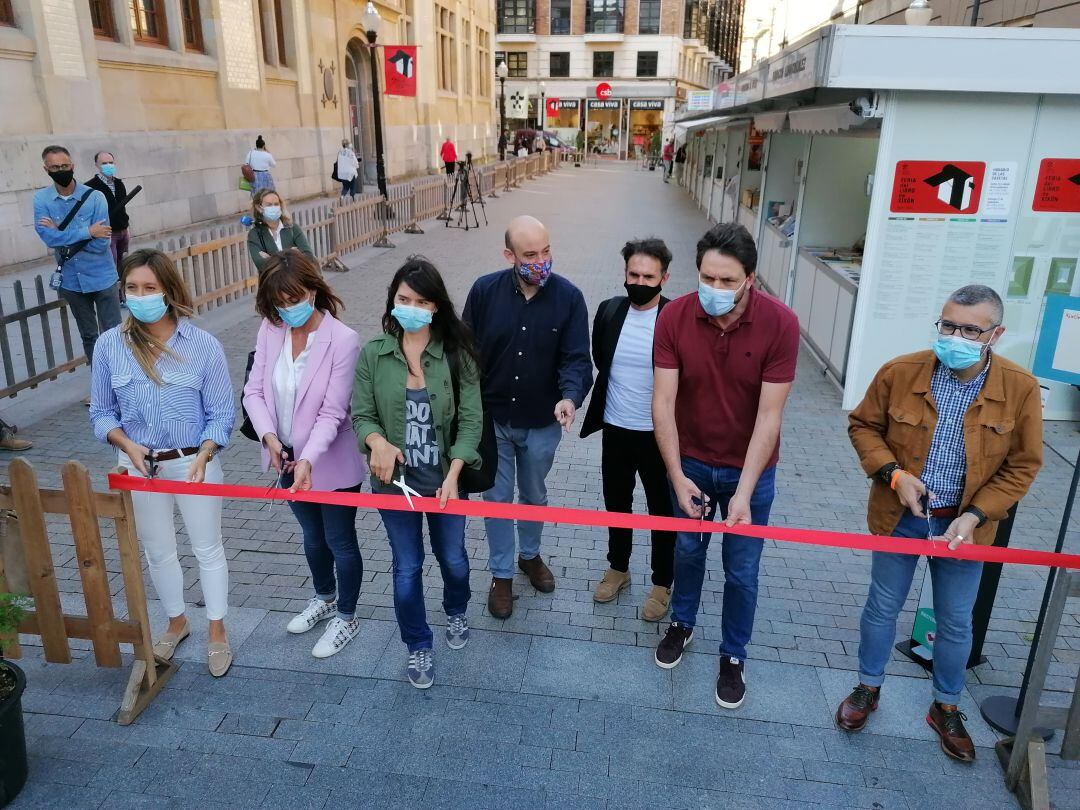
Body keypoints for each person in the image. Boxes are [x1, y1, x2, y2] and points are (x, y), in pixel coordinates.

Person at [837, 285, 1043, 763]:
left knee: (955, 621)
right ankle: (868, 687)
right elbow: (862, 425)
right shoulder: (901, 371)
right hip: (902, 517)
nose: (956, 336)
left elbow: (1024, 464)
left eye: (971, 329)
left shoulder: (1020, 387)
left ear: (996, 334)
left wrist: (975, 514)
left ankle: (946, 705)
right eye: (948, 325)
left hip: (963, 528)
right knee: (882, 608)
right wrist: (894, 475)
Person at [651, 222, 799, 712]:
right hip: (691, 460)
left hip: (748, 470)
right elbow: (664, 400)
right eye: (706, 278)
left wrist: (744, 490)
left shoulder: (781, 324)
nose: (714, 290)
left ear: (750, 279)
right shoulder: (673, 316)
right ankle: (683, 623)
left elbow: (769, 415)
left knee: (742, 570)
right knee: (688, 554)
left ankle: (733, 655)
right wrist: (676, 475)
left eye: (726, 281)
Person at [89, 248, 235, 677]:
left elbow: (222, 414)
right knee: (157, 550)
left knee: (207, 547)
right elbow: (101, 412)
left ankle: (217, 630)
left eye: (149, 288)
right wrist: (125, 445)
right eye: (132, 287)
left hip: (194, 461)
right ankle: (176, 621)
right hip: (138, 463)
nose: (140, 295)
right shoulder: (110, 345)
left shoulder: (203, 345)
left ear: (169, 291)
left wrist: (206, 453)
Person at [352, 257, 483, 689]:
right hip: (395, 486)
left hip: (444, 481)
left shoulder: (456, 354)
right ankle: (418, 645)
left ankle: (457, 609)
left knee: (455, 561)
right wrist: (378, 443)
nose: (410, 307)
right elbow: (362, 415)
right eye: (403, 299)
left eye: (421, 301)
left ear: (436, 307)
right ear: (392, 300)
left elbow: (470, 421)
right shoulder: (374, 353)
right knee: (406, 567)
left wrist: (455, 474)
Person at [462, 216, 593, 618]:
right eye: (531, 255)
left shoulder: (569, 298)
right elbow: (465, 354)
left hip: (543, 421)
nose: (542, 261)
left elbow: (576, 359)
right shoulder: (485, 292)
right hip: (494, 419)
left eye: (547, 251)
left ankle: (530, 556)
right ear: (510, 256)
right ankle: (501, 574)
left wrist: (569, 398)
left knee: (533, 495)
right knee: (497, 498)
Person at [242, 250, 366, 659]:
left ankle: (346, 617)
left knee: (339, 540)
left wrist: (308, 457)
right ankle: (324, 597)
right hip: (286, 458)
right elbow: (254, 391)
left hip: (329, 460)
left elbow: (333, 412)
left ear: (313, 291)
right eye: (278, 302)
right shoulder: (270, 328)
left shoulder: (343, 340)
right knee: (312, 538)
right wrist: (270, 438)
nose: (286, 308)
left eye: (294, 298)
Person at [581, 239, 675, 621]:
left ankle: (662, 581)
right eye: (633, 274)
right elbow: (600, 359)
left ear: (663, 278)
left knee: (661, 510)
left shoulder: (676, 318)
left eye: (648, 276)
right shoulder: (608, 311)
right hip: (616, 429)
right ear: (624, 274)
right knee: (617, 503)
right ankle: (618, 568)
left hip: (659, 436)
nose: (639, 281)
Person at [33, 145, 122, 380]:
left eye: (64, 166)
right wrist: (87, 232)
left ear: (72, 166)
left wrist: (61, 234)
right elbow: (47, 238)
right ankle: (102, 385)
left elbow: (102, 244)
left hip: (103, 277)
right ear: (46, 169)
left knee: (114, 334)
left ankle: (122, 382)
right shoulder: (41, 200)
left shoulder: (95, 197)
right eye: (54, 167)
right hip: (72, 281)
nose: (60, 170)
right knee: (89, 336)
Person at [247, 190, 314, 271]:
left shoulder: (292, 228)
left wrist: (272, 259)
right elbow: (261, 264)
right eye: (269, 205)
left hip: (297, 281)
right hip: (272, 283)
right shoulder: (255, 234)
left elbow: (308, 256)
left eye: (276, 204)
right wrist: (293, 255)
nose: (273, 207)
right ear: (259, 207)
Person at [85, 150, 132, 269]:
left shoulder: (119, 184)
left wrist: (127, 228)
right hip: (108, 233)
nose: (108, 166)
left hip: (123, 230)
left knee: (124, 263)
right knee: (112, 263)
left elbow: (123, 207)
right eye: (104, 163)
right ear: (97, 165)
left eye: (111, 162)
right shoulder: (90, 186)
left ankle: (124, 285)